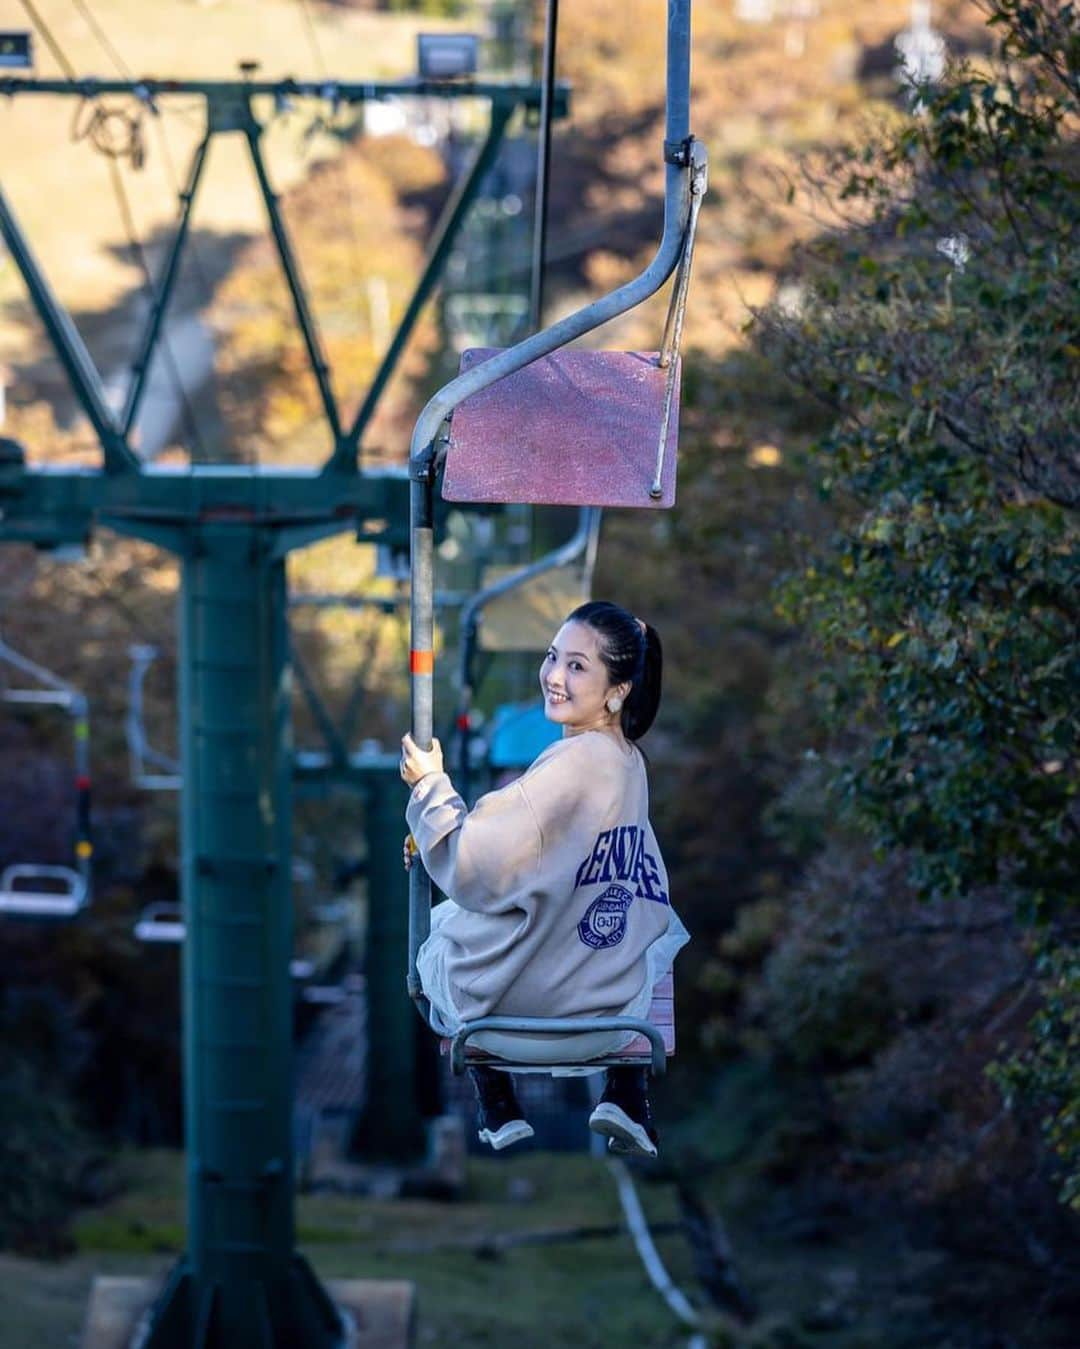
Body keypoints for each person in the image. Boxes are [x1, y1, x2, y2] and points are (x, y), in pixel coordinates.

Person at [400, 600, 688, 1157]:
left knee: (444, 929)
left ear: (617, 690)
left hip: (515, 1020)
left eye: (577, 666)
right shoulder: (629, 763)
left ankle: (496, 1094)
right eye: (553, 657)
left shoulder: (570, 766)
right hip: (605, 1018)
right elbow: (637, 882)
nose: (554, 677)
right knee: (648, 936)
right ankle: (626, 1092)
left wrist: (430, 789)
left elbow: (475, 866)